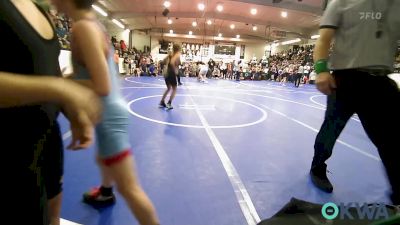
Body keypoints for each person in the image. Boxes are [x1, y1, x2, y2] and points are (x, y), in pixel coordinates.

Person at [50, 0, 160, 224]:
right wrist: (67, 80)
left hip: (109, 117)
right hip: (108, 114)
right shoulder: (91, 24)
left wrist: (59, 85)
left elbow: (102, 86)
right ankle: (105, 191)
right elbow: (90, 76)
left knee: (129, 189)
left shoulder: (83, 28)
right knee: (103, 158)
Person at [0, 1, 101, 224]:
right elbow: (53, 83)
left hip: (47, 146)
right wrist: (59, 89)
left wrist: (70, 108)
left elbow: (48, 69)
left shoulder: (40, 10)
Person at [310, 0, 400, 205]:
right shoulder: (341, 1)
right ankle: (317, 167)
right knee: (330, 131)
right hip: (345, 80)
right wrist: (322, 69)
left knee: (393, 142)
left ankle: (399, 194)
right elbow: (324, 39)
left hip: (381, 82)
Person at [159, 44, 181, 110]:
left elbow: (162, 62)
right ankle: (169, 103)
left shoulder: (170, 54)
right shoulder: (177, 54)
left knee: (169, 88)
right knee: (174, 89)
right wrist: (175, 70)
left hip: (166, 73)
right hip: (171, 73)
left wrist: (164, 68)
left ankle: (162, 101)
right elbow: (172, 62)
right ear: (179, 48)